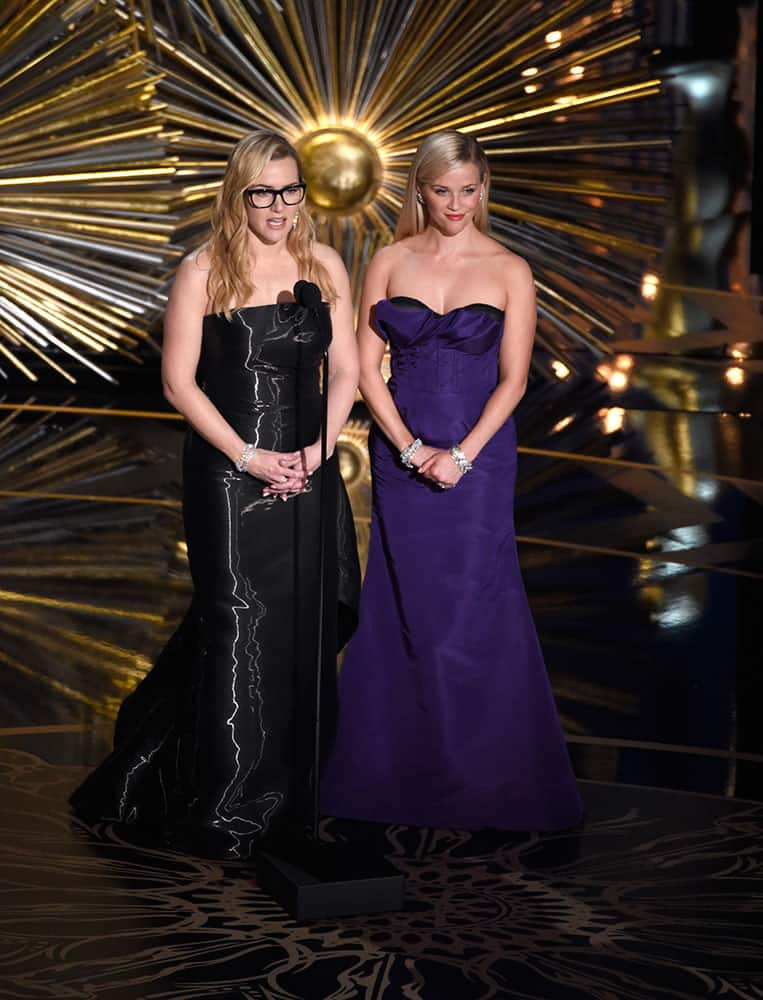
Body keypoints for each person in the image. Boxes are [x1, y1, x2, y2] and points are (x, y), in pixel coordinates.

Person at [70, 131, 360, 859]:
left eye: (290, 191)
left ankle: (293, 798)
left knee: (301, 632)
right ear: (237, 194)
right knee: (238, 627)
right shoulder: (203, 270)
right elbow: (178, 384)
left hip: (308, 468)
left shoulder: (323, 263)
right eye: (263, 192)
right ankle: (231, 809)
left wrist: (315, 454)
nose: (278, 207)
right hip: (231, 475)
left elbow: (348, 373)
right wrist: (251, 457)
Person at [320, 130, 583, 831]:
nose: (456, 204)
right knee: (402, 608)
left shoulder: (509, 269)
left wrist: (459, 455)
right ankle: (390, 777)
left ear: (483, 188)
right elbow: (361, 367)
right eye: (443, 190)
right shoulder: (387, 260)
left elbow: (515, 379)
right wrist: (407, 448)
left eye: (469, 190)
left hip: (480, 457)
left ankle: (481, 782)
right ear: (420, 190)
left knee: (470, 613)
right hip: (400, 457)